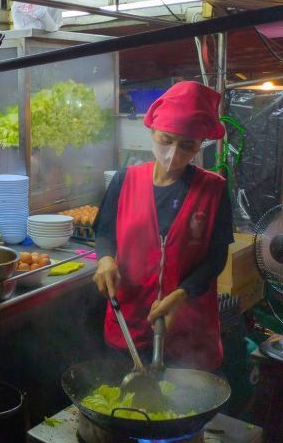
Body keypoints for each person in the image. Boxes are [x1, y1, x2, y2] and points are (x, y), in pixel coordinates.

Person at [92, 81, 233, 371]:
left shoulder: (213, 190)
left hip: (189, 330)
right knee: (124, 404)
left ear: (199, 145)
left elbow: (216, 257)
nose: (174, 154)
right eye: (167, 140)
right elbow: (105, 231)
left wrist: (181, 296)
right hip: (129, 321)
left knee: (185, 406)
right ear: (153, 131)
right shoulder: (125, 180)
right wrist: (105, 259)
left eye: (187, 146)